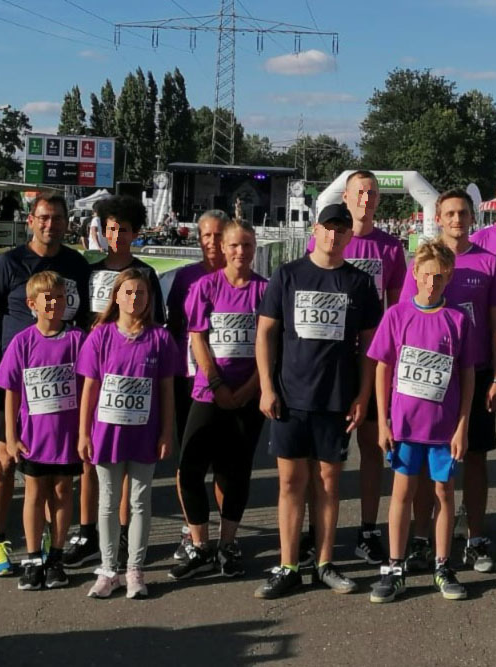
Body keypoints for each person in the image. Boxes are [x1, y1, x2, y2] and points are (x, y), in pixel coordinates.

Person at [253, 203, 382, 599]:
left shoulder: (359, 284)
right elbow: (266, 335)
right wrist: (267, 387)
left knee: (328, 482)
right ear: (316, 229)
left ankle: (325, 562)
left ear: (349, 236)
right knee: (292, 481)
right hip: (291, 398)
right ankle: (288, 564)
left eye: (342, 230)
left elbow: (370, 349)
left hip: (336, 399)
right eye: (328, 228)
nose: (334, 235)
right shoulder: (288, 274)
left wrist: (363, 396)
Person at [0, 194, 91, 577]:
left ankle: (53, 552)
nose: (49, 224)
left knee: (58, 475)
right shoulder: (10, 262)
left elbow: (87, 319)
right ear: (30, 221)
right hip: (16, 380)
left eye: (56, 218)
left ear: (67, 222)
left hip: (61, 385)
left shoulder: (75, 264)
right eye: (42, 218)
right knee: (5, 460)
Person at [400, 190, 496, 574]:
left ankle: (475, 537)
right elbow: (404, 319)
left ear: (472, 216)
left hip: (474, 373)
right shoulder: (422, 261)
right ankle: (421, 537)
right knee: (427, 463)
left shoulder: (489, 263)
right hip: (428, 376)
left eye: (463, 212)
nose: (457, 219)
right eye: (450, 213)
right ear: (438, 216)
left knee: (474, 456)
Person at [303, 170, 406, 567]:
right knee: (321, 455)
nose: (366, 198)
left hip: (371, 358)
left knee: (370, 448)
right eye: (359, 192)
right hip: (328, 360)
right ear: (345, 197)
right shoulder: (325, 236)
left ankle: (366, 529)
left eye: (372, 193)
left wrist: (390, 359)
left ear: (378, 201)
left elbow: (394, 310)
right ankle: (316, 533)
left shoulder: (391, 247)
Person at [366, 241, 475, 603]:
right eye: (426, 276)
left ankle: (443, 565)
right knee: (402, 494)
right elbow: (382, 368)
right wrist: (382, 421)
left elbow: (468, 374)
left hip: (443, 430)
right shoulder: (396, 315)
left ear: (449, 278)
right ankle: (395, 566)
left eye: (439, 277)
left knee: (444, 494)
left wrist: (462, 425)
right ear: (415, 274)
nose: (432, 283)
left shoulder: (458, 320)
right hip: (404, 429)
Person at [66, 195, 167, 571]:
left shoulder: (145, 275)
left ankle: (124, 533)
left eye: (124, 230)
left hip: (133, 379)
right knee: (91, 458)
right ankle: (88, 530)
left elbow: (157, 321)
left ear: (135, 233)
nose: (117, 235)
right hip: (94, 371)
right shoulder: (89, 270)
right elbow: (74, 315)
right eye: (110, 229)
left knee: (125, 462)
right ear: (102, 231)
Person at [169, 220, 268, 580]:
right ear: (222, 249)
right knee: (190, 468)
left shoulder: (265, 290)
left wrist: (250, 389)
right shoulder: (204, 287)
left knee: (235, 470)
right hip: (208, 392)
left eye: (247, 245)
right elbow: (198, 339)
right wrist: (216, 383)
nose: (241, 252)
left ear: (255, 247)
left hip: (249, 393)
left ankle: (228, 544)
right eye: (234, 245)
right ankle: (200, 544)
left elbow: (269, 346)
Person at [77, 268, 178, 599]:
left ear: (150, 299)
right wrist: (84, 434)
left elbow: (167, 391)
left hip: (144, 434)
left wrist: (166, 432)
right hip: (106, 434)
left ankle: (134, 569)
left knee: (139, 501)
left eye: (142, 293)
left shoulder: (160, 338)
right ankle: (108, 570)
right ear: (116, 296)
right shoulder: (100, 336)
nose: (135, 299)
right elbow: (89, 390)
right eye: (129, 292)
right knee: (107, 502)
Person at [0, 271, 85, 591]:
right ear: (33, 303)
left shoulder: (77, 340)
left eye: (60, 297)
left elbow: (88, 387)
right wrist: (12, 437)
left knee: (62, 493)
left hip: (68, 437)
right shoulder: (22, 342)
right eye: (47, 298)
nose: (54, 303)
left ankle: (56, 557)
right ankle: (33, 558)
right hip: (34, 438)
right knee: (34, 495)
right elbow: (11, 393)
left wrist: (86, 433)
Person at [164, 210, 229, 563]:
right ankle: (191, 531)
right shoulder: (185, 278)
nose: (212, 242)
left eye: (219, 235)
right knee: (190, 460)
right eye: (206, 236)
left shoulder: (237, 278)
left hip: (229, 383)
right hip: (189, 382)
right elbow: (175, 327)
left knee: (223, 463)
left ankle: (222, 536)